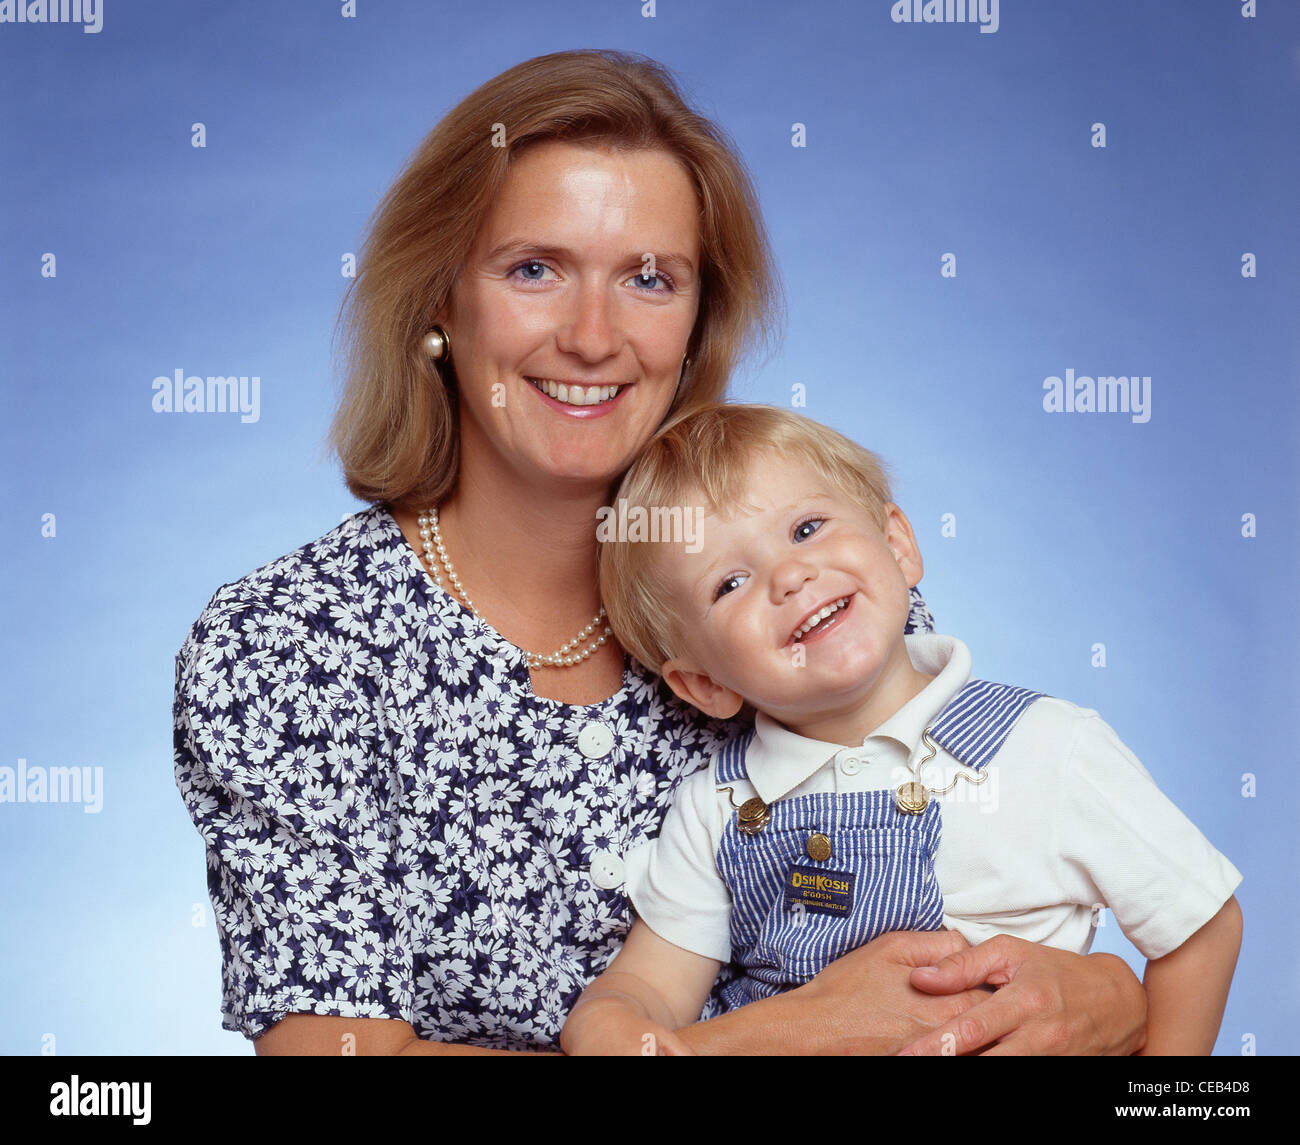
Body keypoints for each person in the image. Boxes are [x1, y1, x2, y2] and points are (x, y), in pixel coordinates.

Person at [173, 49, 1149, 1055]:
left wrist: (1111, 992)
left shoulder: (804, 581)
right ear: (437, 300)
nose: (593, 337)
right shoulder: (288, 645)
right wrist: (790, 1031)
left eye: (648, 278)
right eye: (535, 268)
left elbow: (985, 932)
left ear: (695, 323)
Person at [561, 404, 1243, 1056]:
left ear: (897, 544)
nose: (791, 575)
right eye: (730, 581)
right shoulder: (719, 807)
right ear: (704, 683)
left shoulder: (1046, 746)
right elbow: (650, 985)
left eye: (805, 529)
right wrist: (608, 1021)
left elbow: (1201, 924)